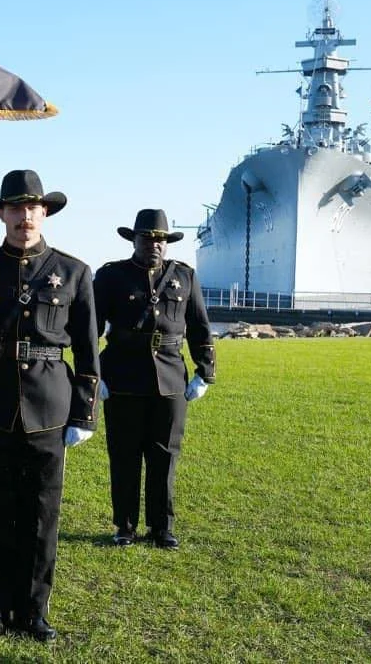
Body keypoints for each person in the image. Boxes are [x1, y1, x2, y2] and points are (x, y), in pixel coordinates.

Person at [0, 169, 100, 642]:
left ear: (44, 211)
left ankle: (33, 610)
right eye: (14, 207)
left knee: (41, 513)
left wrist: (85, 413)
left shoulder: (74, 272)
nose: (23, 215)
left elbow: (89, 349)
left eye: (32, 206)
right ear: (2, 213)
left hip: (49, 405)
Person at [92, 209, 216, 550]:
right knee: (124, 455)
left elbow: (201, 327)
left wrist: (205, 372)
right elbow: (89, 329)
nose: (154, 245)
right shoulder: (111, 276)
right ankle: (125, 527)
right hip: (121, 375)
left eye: (160, 240)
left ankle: (162, 528)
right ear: (134, 240)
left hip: (172, 377)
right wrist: (94, 374)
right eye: (147, 238)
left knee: (165, 456)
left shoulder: (184, 276)